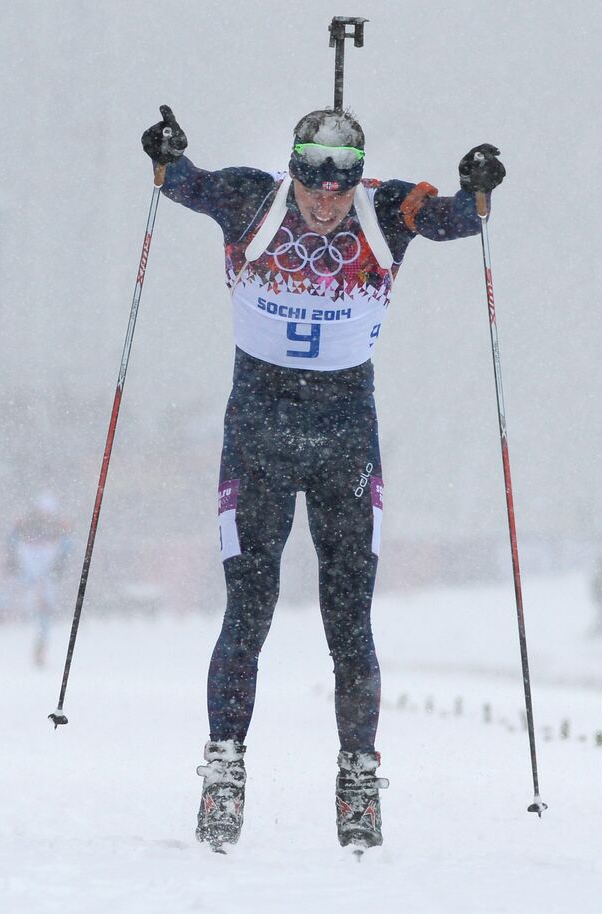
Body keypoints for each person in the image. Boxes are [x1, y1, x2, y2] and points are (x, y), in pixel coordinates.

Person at [140, 104, 505, 852]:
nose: (326, 200)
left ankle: (359, 780)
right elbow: (184, 184)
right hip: (259, 431)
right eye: (312, 181)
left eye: (339, 186)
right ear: (294, 170)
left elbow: (452, 221)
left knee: (349, 618)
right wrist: (166, 153)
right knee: (250, 604)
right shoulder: (251, 198)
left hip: (345, 434)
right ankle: (224, 771)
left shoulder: (387, 209)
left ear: (357, 178)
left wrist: (479, 190)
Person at [0, 494, 73, 668]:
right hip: (24, 573)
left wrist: (58, 567)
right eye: (42, 514)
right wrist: (13, 562)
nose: (45, 519)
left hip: (44, 575)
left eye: (49, 515)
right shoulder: (25, 526)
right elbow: (11, 542)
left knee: (45, 610)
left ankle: (40, 650)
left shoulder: (59, 530)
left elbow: (65, 550)